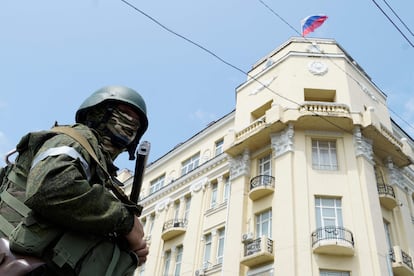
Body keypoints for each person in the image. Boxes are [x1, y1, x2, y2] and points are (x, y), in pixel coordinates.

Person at [0, 85, 149, 275]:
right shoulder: (74, 139)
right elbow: (51, 188)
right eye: (123, 114)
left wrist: (127, 250)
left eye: (135, 124)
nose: (128, 125)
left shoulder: (100, 174)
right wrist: (126, 222)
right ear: (96, 112)